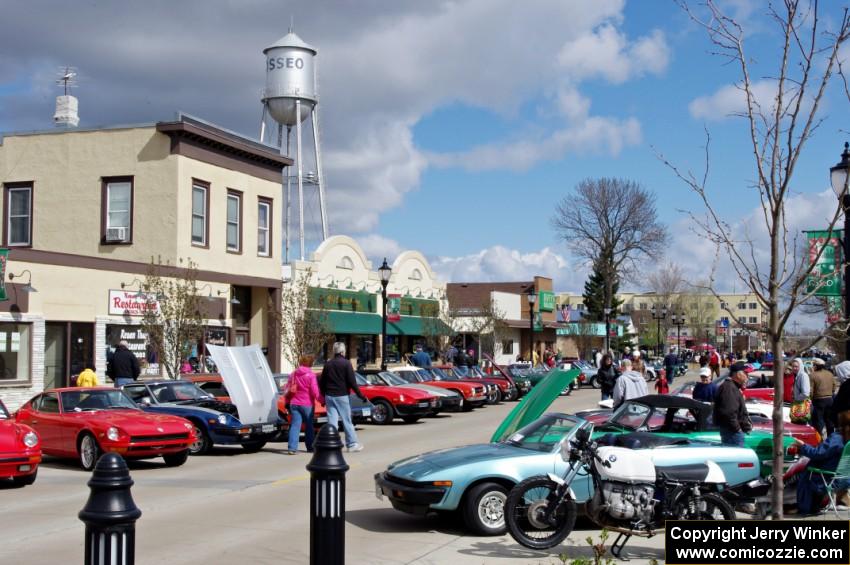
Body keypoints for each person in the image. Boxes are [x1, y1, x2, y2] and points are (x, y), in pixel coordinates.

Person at [319, 342, 368, 452]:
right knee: (347, 421)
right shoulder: (346, 363)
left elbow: (322, 382)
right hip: (342, 396)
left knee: (332, 422)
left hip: (329, 396)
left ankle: (332, 445)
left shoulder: (328, 364)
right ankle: (351, 444)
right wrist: (361, 396)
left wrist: (323, 395)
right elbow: (352, 382)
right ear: (342, 352)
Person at [793, 432, 849, 515]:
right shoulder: (845, 439)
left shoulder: (837, 438)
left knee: (801, 473)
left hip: (828, 479)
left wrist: (803, 446)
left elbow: (818, 453)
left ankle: (806, 507)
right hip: (844, 478)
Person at [286, 354, 323, 455]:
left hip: (294, 403)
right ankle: (310, 447)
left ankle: (292, 448)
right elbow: (315, 392)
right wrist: (322, 401)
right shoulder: (311, 375)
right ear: (310, 363)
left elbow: (287, 388)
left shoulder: (293, 374)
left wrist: (286, 402)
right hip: (307, 404)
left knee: (295, 426)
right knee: (309, 426)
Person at [713, 362, 752, 446]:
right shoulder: (729, 388)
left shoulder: (732, 386)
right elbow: (728, 413)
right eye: (745, 373)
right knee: (737, 458)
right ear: (738, 374)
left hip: (732, 432)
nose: (747, 376)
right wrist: (737, 429)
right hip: (732, 433)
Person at [810, 357, 836, 437]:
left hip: (819, 401)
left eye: (814, 365)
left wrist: (810, 399)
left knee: (818, 422)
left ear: (816, 366)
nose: (813, 366)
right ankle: (831, 439)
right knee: (829, 422)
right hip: (830, 399)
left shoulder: (813, 375)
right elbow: (834, 387)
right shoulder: (830, 374)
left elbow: (811, 390)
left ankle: (819, 441)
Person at [791, 357, 812, 424]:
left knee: (801, 423)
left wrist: (796, 398)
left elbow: (805, 393)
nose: (794, 368)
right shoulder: (797, 375)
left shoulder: (803, 375)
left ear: (801, 366)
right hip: (798, 404)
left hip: (802, 404)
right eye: (793, 366)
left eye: (796, 366)